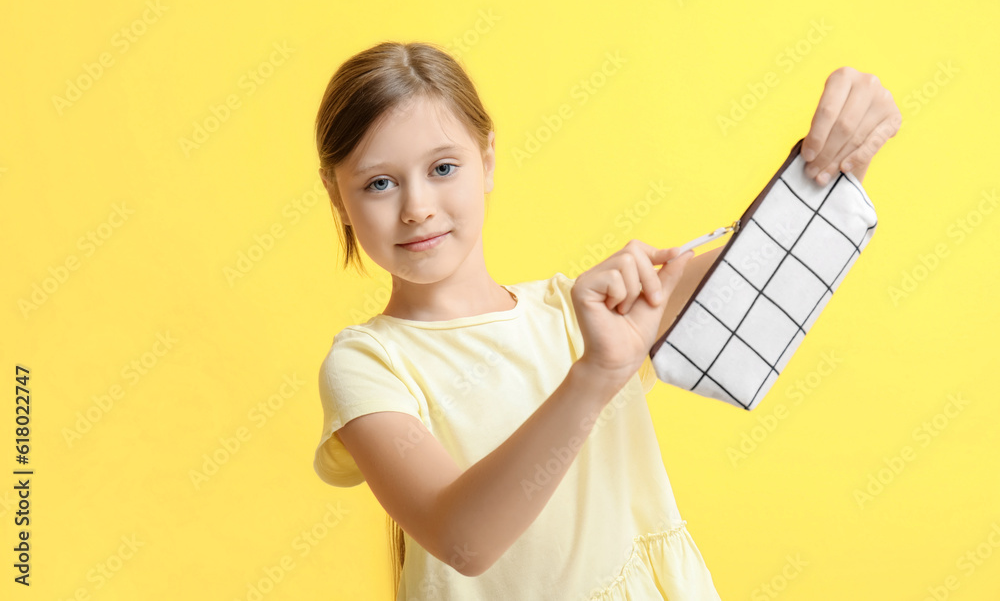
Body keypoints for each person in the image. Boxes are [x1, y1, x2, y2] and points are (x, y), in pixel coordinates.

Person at [311, 41, 901, 600]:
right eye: (380, 183)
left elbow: (768, 262)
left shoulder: (578, 312)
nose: (418, 208)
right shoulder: (367, 364)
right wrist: (596, 372)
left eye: (443, 168)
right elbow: (463, 540)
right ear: (338, 197)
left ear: (487, 161)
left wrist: (832, 166)